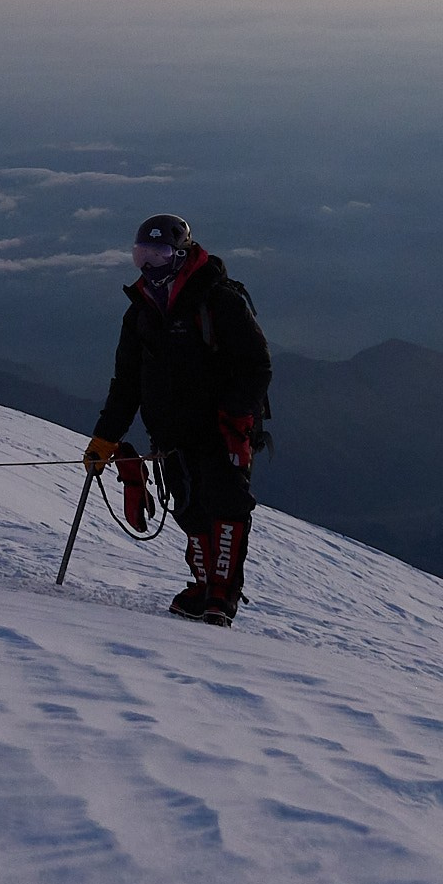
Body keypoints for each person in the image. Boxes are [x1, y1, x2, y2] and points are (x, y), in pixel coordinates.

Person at [85, 214, 271, 624]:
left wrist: (237, 417)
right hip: (170, 433)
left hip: (221, 429)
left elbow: (257, 366)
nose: (149, 265)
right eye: (142, 255)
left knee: (225, 504)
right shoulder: (140, 314)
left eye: (160, 254)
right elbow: (127, 384)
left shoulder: (218, 300)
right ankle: (205, 588)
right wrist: (105, 439)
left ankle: (222, 595)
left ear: (181, 255)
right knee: (189, 508)